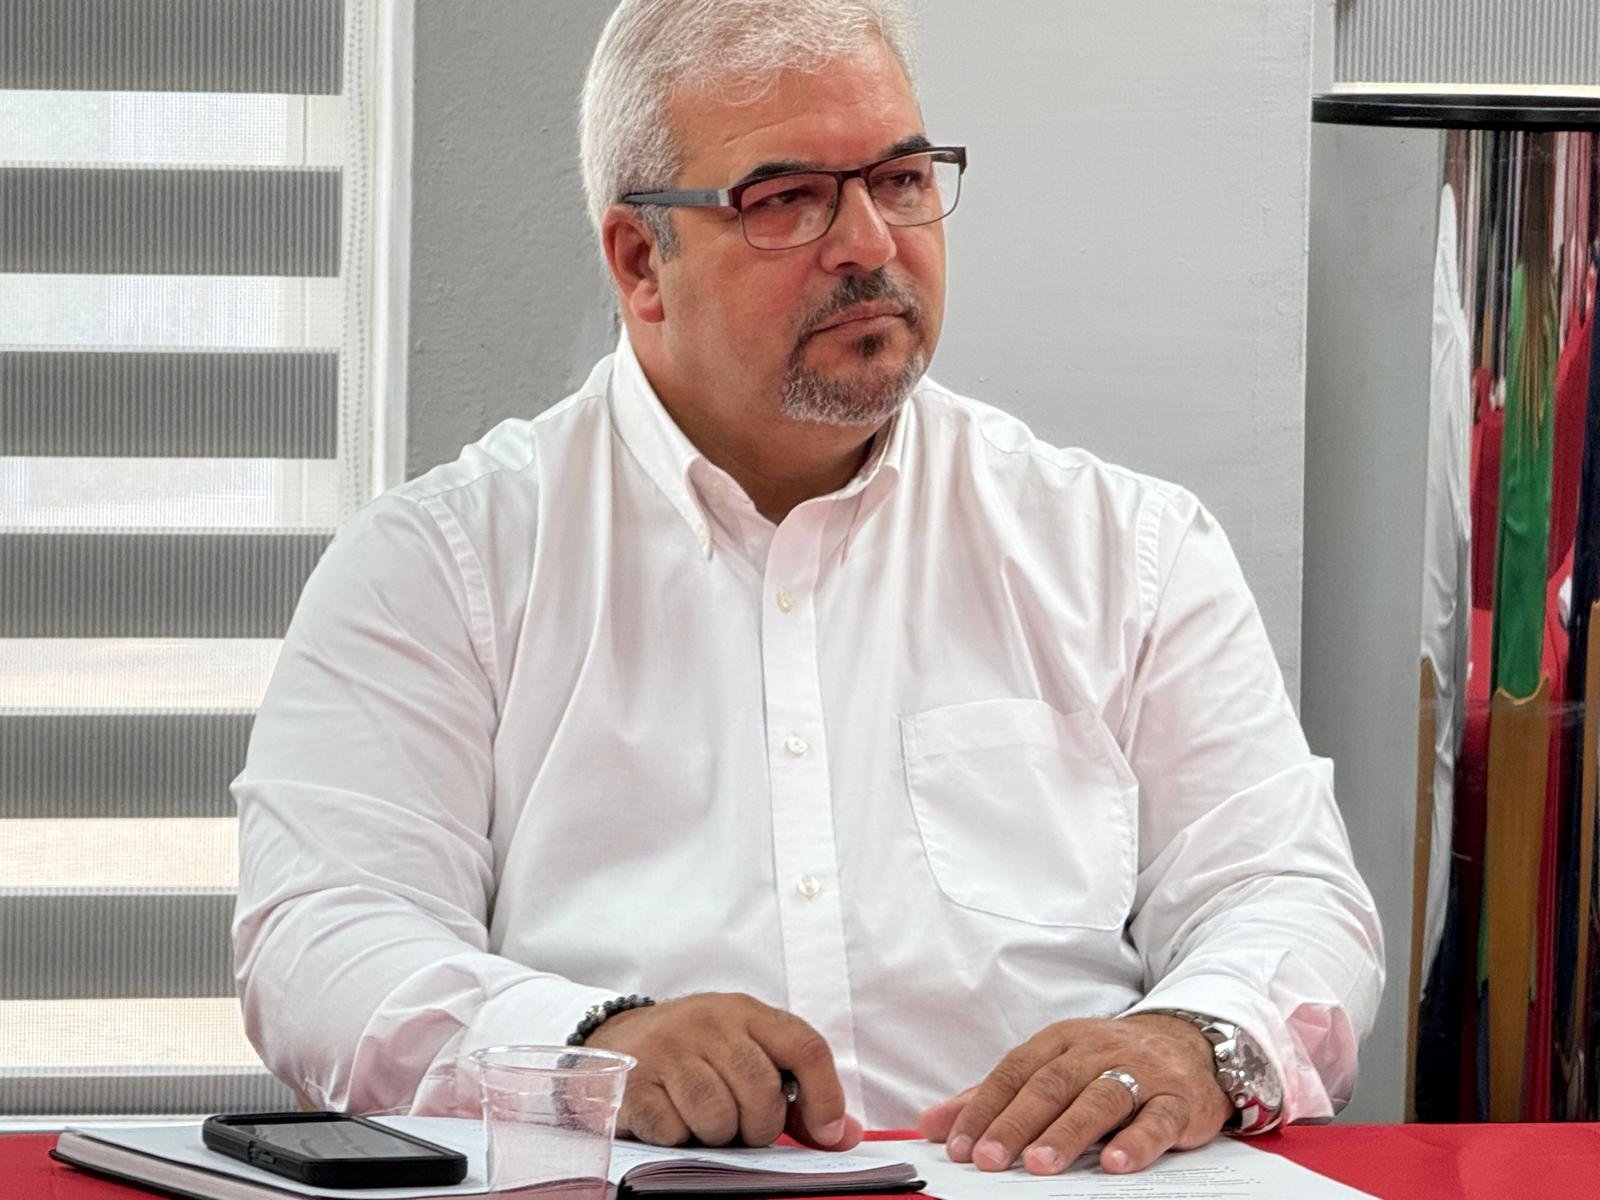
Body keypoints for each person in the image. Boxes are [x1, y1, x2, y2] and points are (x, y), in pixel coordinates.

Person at [233, 0, 1383, 1178]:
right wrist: (590, 1045)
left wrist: (1193, 1041)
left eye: (899, 180)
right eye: (787, 199)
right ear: (640, 261)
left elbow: (1284, 891)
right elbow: (323, 940)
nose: (870, 244)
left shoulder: (1122, 546)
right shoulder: (441, 564)